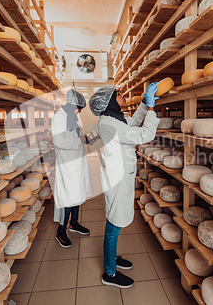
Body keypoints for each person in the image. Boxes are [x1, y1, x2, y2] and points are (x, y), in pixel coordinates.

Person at [89, 83, 160, 288]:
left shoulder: (114, 120)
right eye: (118, 94)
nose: (123, 96)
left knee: (115, 222)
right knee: (113, 225)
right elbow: (145, 134)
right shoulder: (111, 124)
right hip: (117, 182)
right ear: (110, 101)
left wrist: (144, 102)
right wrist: (152, 109)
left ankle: (113, 258)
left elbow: (133, 122)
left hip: (119, 179)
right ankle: (109, 272)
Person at [51, 89, 93, 248]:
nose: (80, 111)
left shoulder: (74, 117)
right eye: (79, 108)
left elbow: (79, 136)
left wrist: (87, 139)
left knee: (78, 193)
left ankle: (74, 223)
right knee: (68, 197)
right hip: (68, 164)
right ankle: (61, 230)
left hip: (78, 162)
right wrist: (80, 139)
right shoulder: (59, 118)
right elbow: (59, 141)